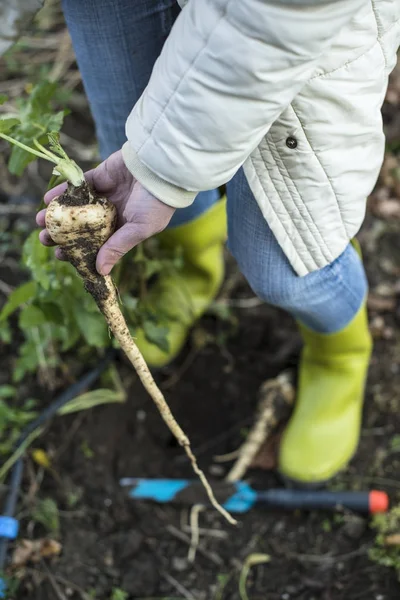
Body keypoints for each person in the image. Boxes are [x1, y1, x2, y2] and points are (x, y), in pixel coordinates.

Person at [22, 0, 400, 485]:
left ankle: (340, 353)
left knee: (285, 258)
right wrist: (158, 169)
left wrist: (167, 167)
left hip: (289, 22)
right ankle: (190, 269)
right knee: (129, 145)